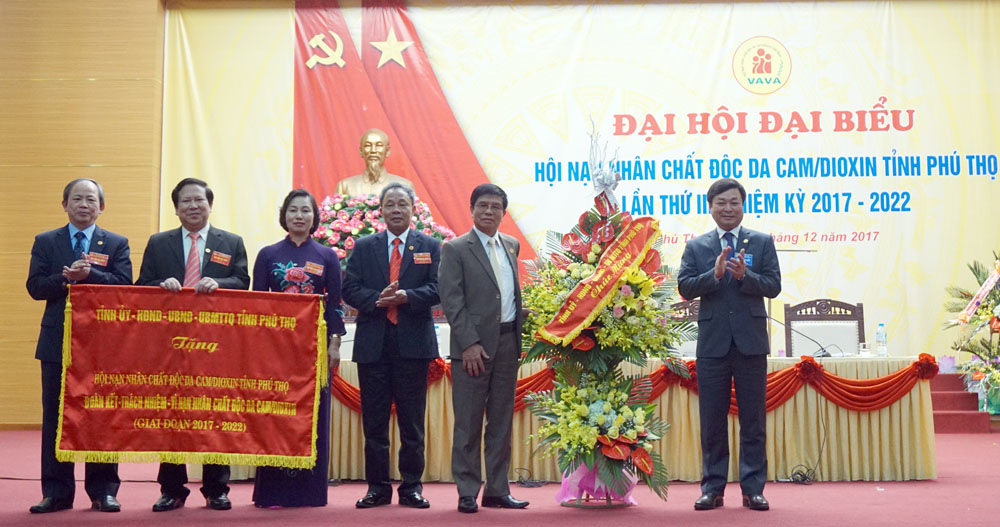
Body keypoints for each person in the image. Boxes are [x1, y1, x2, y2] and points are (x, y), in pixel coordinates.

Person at [135, 177, 250, 511]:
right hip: (171, 344)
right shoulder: (159, 243)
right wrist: (161, 284)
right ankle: (172, 488)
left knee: (215, 412)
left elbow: (243, 281)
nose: (193, 206)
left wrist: (219, 283)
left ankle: (217, 488)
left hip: (216, 343)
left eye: (199, 200)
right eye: (185, 201)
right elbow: (142, 285)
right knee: (171, 413)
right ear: (176, 208)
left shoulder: (231, 242)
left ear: (210, 204)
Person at [26, 179, 133, 514]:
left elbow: (125, 287)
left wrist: (92, 276)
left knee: (101, 416)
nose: (84, 205)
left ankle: (103, 491)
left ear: (101, 207)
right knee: (56, 418)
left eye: (90, 199)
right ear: (65, 204)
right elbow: (35, 287)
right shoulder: (46, 241)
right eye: (77, 199)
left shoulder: (116, 243)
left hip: (102, 345)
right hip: (56, 343)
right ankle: (56, 493)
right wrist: (66, 279)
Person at [677, 179, 781, 512]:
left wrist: (744, 277)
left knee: (753, 420)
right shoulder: (697, 247)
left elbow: (773, 286)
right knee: (712, 421)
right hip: (713, 345)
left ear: (743, 206)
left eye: (734, 202)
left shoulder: (762, 242)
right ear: (710, 206)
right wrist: (716, 275)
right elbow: (685, 288)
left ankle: (753, 490)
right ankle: (712, 489)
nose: (728, 208)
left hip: (751, 344)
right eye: (721, 202)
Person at [342, 182, 440, 509]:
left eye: (402, 204)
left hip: (413, 346)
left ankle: (411, 487)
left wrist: (407, 297)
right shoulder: (364, 246)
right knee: (375, 423)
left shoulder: (430, 246)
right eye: (390, 204)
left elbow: (439, 287)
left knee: (412, 423)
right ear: (381, 210)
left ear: (413, 209)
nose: (396, 210)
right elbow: (349, 288)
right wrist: (377, 300)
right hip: (373, 346)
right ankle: (378, 488)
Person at [250, 189, 346, 507]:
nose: (299, 216)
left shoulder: (327, 256)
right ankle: (272, 492)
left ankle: (309, 492)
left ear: (314, 217)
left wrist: (334, 344)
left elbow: (335, 305)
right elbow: (257, 304)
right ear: (284, 216)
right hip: (276, 351)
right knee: (275, 416)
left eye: (305, 210)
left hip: (314, 351)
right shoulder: (268, 255)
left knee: (312, 417)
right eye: (293, 210)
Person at [438, 184, 529, 514]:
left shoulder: (511, 245)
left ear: (504, 213)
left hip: (507, 344)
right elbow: (452, 301)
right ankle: (467, 491)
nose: (489, 211)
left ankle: (497, 490)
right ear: (472, 209)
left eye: (495, 207)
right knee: (468, 422)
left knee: (501, 422)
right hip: (473, 349)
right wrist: (470, 343)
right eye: (483, 205)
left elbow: (504, 295)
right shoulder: (455, 249)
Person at [336, 128, 413, 196]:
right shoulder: (345, 186)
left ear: (387, 151)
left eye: (379, 145)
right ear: (361, 151)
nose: (373, 150)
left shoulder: (405, 186)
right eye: (368, 145)